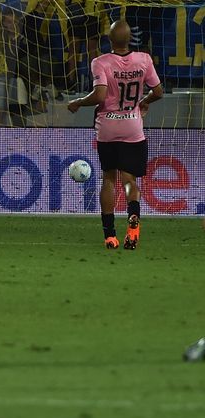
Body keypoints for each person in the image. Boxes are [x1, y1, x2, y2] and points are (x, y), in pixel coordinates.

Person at [68, 20, 163, 250]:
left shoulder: (101, 62)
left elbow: (100, 96)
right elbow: (158, 91)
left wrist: (79, 102)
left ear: (109, 40)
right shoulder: (144, 59)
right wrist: (144, 101)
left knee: (109, 178)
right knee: (129, 180)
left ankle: (110, 236)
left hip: (108, 127)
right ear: (130, 38)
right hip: (133, 126)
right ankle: (133, 224)